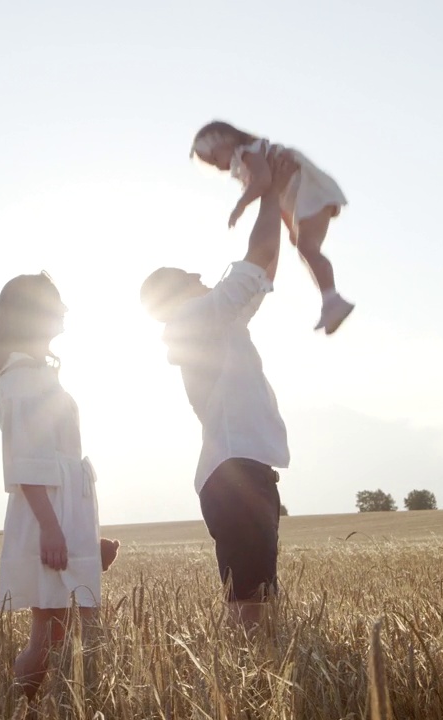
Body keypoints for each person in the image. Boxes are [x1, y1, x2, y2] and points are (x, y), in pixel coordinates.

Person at [138, 151, 297, 629]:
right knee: (251, 608)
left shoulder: (214, 324)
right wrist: (270, 192)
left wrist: (278, 199)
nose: (204, 279)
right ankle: (244, 694)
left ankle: (249, 689)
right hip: (235, 475)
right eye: (193, 278)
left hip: (242, 470)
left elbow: (260, 271)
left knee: (259, 602)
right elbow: (250, 270)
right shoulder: (194, 319)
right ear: (175, 298)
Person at [0, 273, 119, 703]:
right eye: (54, 305)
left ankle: (64, 708)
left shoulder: (35, 372)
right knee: (50, 635)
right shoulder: (22, 375)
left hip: (64, 515)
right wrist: (53, 529)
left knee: (75, 630)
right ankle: (11, 709)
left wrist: (82, 535)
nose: (63, 311)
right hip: (51, 515)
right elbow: (25, 463)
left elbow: (54, 460)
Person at [190, 119, 355, 334]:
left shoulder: (248, 152)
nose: (218, 166)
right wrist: (291, 229)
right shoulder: (251, 156)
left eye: (214, 157)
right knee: (303, 247)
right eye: (212, 165)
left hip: (309, 192)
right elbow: (279, 200)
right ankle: (329, 299)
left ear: (228, 140)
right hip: (301, 197)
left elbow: (264, 181)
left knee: (307, 248)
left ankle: (332, 299)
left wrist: (241, 205)